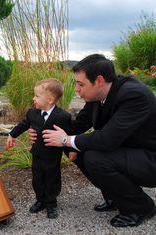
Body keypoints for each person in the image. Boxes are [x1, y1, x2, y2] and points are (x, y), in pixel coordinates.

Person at [38, 54, 156, 227]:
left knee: (95, 157)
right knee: (74, 147)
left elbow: (107, 140)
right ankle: (116, 196)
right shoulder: (98, 95)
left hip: (151, 158)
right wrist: (41, 131)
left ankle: (141, 207)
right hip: (129, 152)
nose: (77, 89)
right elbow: (76, 127)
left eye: (80, 84)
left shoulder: (134, 95)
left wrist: (65, 139)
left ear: (99, 81)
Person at [6, 78, 75, 219]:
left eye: (37, 96)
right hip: (37, 154)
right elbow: (24, 124)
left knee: (52, 179)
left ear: (50, 100)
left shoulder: (63, 116)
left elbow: (68, 134)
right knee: (37, 178)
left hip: (52, 156)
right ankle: (40, 200)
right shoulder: (32, 113)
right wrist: (12, 135)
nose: (34, 98)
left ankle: (51, 203)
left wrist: (71, 150)